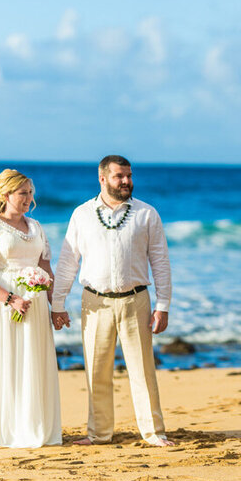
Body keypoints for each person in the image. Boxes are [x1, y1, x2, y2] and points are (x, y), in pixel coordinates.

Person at [51, 155, 175, 447]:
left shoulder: (147, 214)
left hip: (137, 301)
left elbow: (161, 262)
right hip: (95, 303)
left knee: (143, 371)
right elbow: (68, 262)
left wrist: (163, 305)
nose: (127, 181)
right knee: (96, 371)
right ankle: (99, 433)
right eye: (120, 176)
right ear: (103, 178)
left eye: (129, 176)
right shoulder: (81, 214)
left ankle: (153, 432)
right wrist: (58, 304)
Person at [0, 169, 62, 448]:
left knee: (31, 360)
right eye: (23, 193)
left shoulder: (37, 227)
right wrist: (10, 299)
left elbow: (45, 267)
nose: (29, 198)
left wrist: (57, 306)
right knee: (1, 360)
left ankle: (29, 424)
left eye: (31, 193)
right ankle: (0, 429)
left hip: (35, 301)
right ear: (5, 195)